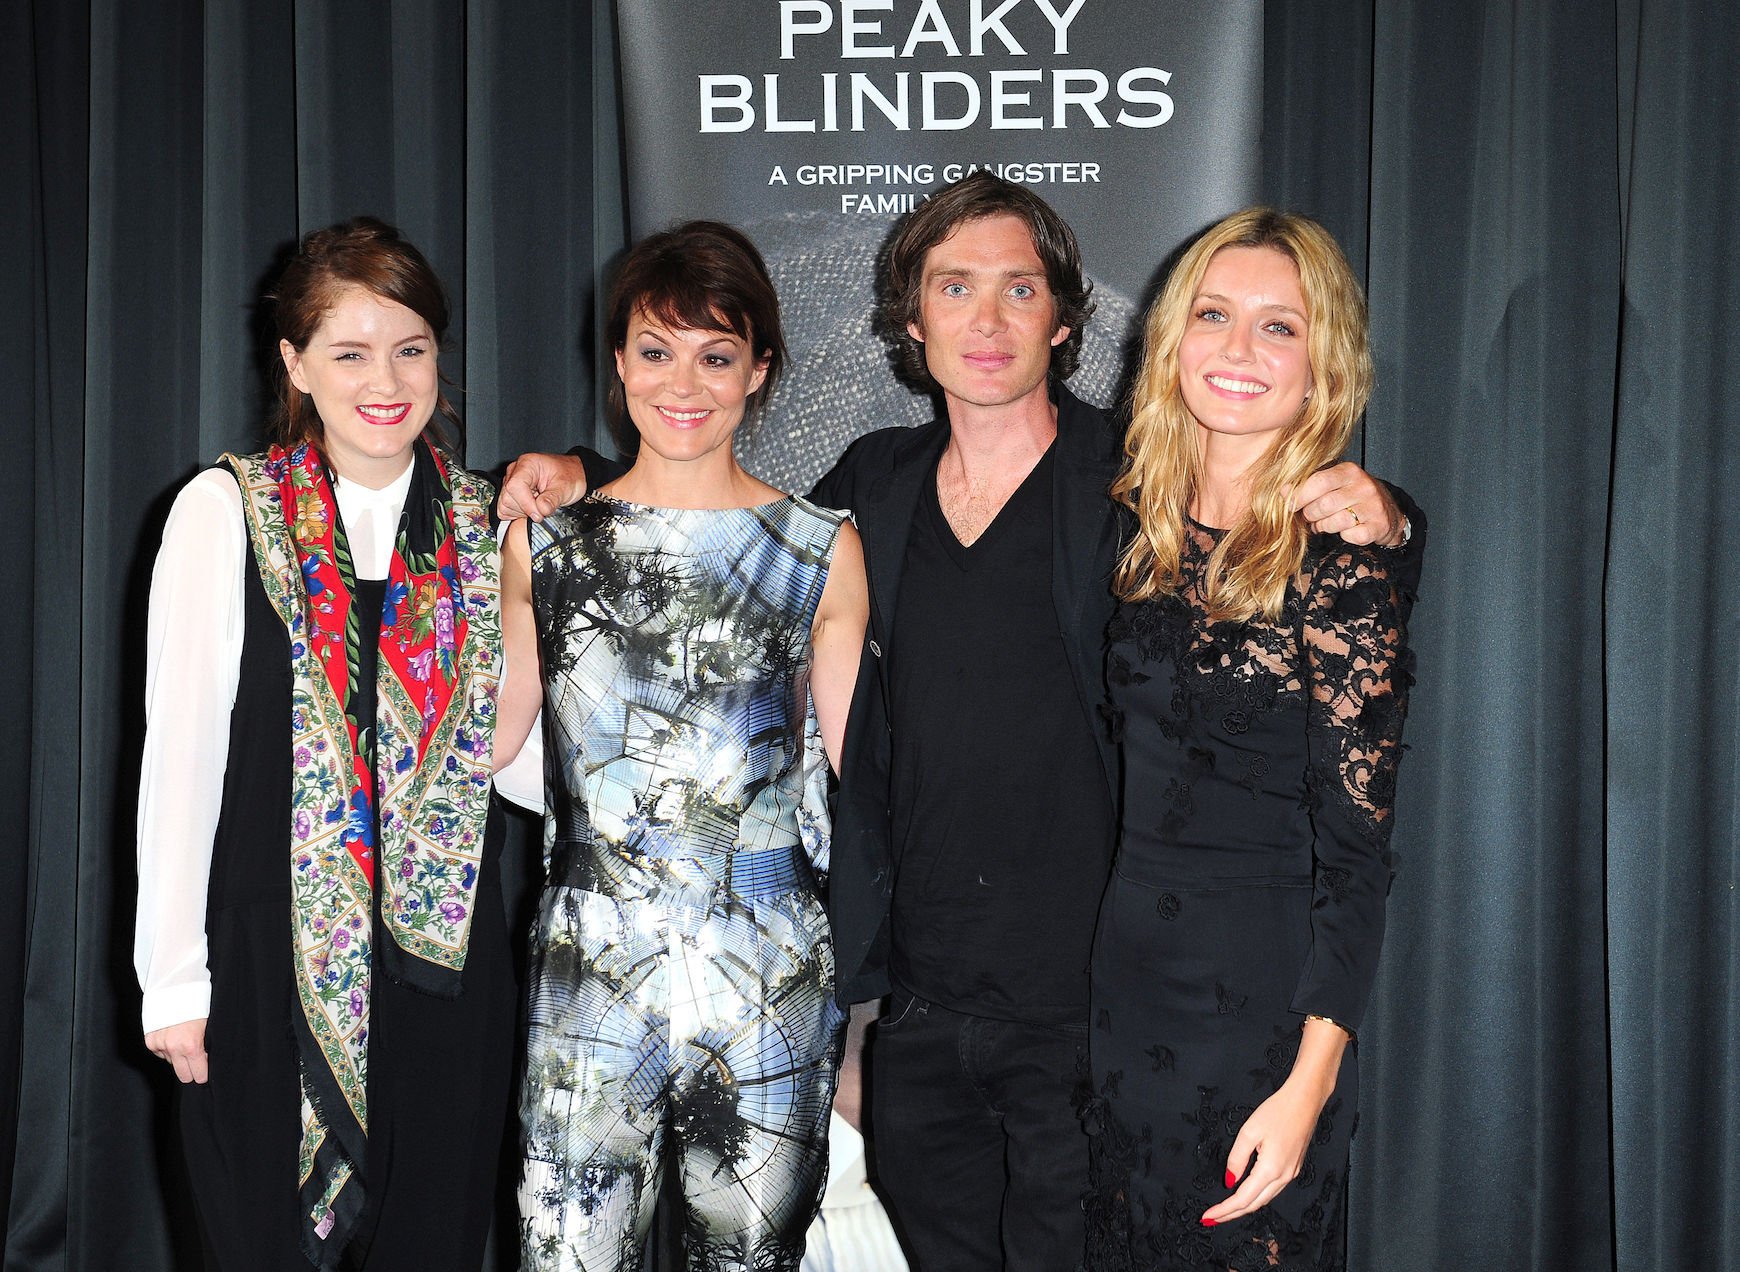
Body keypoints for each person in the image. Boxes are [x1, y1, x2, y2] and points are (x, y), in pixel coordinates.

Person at [496, 173, 1421, 1272]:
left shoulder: (1137, 481)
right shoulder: (871, 486)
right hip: (925, 1017)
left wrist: (1395, 520)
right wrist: (574, 472)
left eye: (1019, 290)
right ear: (912, 319)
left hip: (1093, 1016)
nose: (985, 321)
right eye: (953, 288)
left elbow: (1286, 551)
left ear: (1066, 319)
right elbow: (713, 504)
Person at [135, 218, 535, 1269]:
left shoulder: (490, 526)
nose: (386, 380)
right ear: (295, 363)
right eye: (350, 352)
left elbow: (519, 769)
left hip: (443, 974)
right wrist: (172, 978)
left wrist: (537, 580)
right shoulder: (226, 512)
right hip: (264, 960)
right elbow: (180, 759)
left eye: (411, 348)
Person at [495, 221, 868, 1272]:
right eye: (655, 351)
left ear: (759, 369)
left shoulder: (817, 548)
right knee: (568, 1254)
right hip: (591, 958)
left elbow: (867, 781)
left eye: (716, 354)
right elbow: (485, 741)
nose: (684, 383)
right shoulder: (548, 542)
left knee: (749, 1260)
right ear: (617, 364)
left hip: (770, 961)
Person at [1082, 207, 1416, 1269]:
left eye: (1280, 327)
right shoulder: (1131, 528)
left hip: (1261, 1025)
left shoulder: (1344, 560)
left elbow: (1360, 859)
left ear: (1323, 367)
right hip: (1121, 1007)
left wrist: (1308, 1086)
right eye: (1215, 315)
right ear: (1171, 337)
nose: (1237, 349)